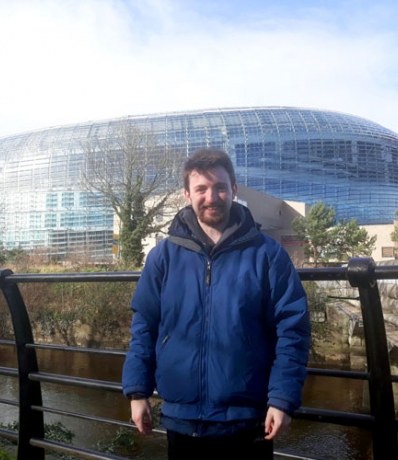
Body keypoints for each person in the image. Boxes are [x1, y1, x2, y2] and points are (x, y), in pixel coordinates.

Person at [122, 148, 311, 459]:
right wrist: (137, 392)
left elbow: (293, 329)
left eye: (220, 187)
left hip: (248, 420)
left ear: (233, 190)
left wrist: (281, 398)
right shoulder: (163, 257)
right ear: (187, 194)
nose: (212, 197)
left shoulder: (268, 254)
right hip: (182, 420)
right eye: (201, 189)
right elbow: (144, 327)